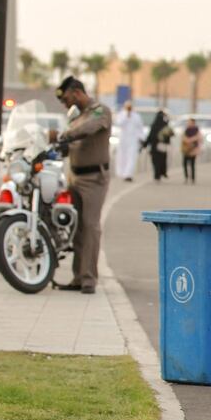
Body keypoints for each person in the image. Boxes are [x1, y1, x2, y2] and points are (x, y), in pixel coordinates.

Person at [51, 76, 112, 295]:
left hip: (94, 178)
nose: (65, 104)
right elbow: (71, 145)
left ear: (77, 92)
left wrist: (63, 135)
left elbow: (89, 128)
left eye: (67, 98)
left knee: (90, 226)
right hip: (74, 177)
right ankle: (78, 277)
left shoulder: (99, 111)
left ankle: (89, 279)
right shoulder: (76, 117)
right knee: (76, 228)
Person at [114, 101, 143, 182]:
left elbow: (140, 127)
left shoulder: (136, 116)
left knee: (132, 157)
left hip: (133, 140)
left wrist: (141, 138)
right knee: (122, 157)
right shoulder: (121, 115)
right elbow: (119, 123)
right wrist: (127, 116)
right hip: (123, 139)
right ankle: (122, 173)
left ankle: (128, 174)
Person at [143, 110, 173, 182]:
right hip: (162, 147)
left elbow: (150, 136)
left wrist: (145, 144)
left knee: (155, 161)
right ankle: (161, 173)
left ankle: (157, 175)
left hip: (154, 147)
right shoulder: (165, 125)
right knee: (162, 160)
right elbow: (169, 135)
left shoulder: (154, 125)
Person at [181, 118, 202, 184]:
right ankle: (186, 177)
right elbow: (183, 138)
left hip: (193, 149)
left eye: (190, 122)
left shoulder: (196, 130)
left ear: (193, 123)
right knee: (184, 164)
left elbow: (199, 138)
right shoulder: (186, 130)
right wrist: (188, 140)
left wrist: (190, 140)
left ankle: (193, 178)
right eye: (188, 122)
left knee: (192, 164)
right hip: (186, 149)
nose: (189, 123)